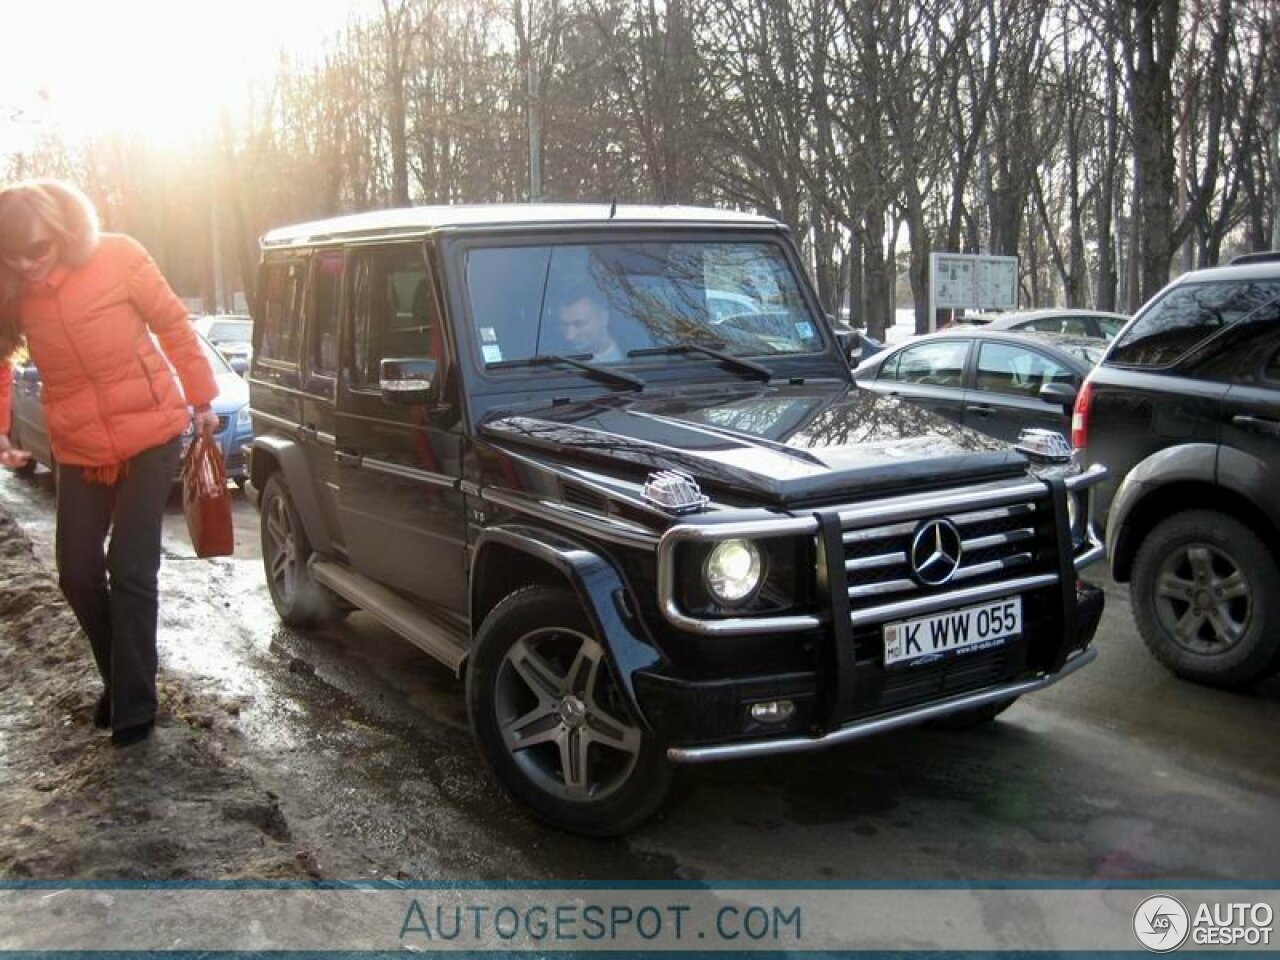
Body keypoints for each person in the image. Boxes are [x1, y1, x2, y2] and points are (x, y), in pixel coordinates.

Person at [0, 179, 219, 748]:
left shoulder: (117, 254)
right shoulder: (11, 288)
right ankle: (122, 678)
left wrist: (201, 399)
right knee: (75, 571)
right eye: (14, 255)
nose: (29, 265)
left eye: (38, 250)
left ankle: (134, 712)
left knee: (130, 565)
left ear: (63, 233)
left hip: (151, 432)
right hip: (79, 447)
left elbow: (172, 322)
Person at [556, 285, 622, 362]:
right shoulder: (552, 359)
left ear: (603, 318)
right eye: (564, 325)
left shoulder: (634, 352)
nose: (569, 336)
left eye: (579, 324)